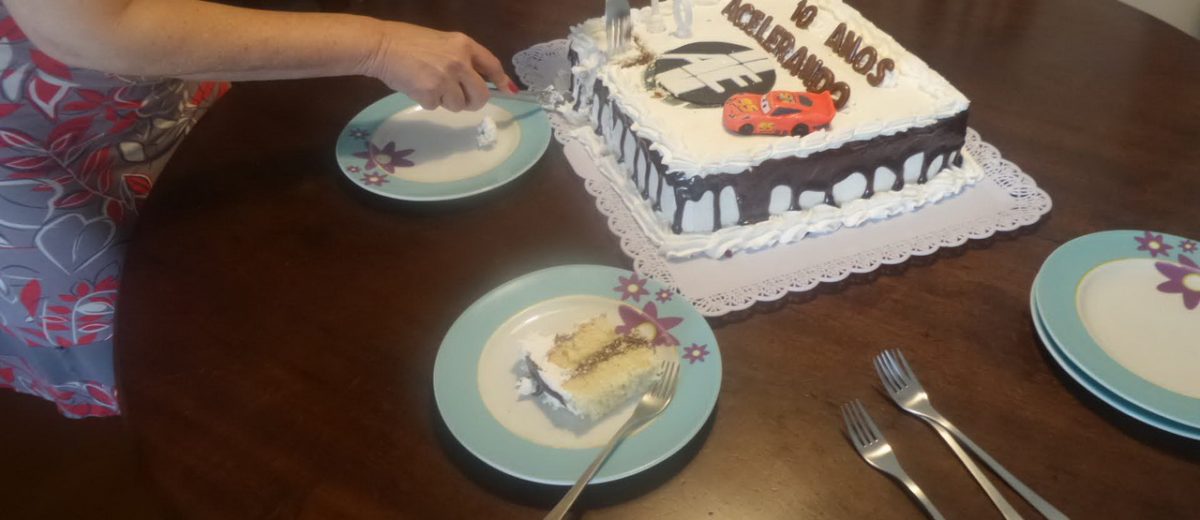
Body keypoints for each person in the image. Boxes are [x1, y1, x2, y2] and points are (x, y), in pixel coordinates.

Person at [0, 0, 517, 417]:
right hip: (47, 160)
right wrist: (379, 45)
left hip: (168, 92)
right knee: (175, 362)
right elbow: (97, 27)